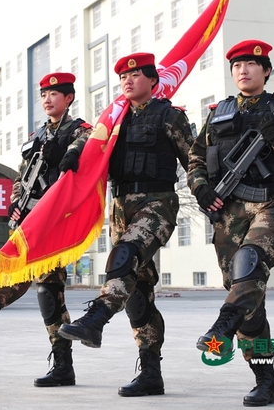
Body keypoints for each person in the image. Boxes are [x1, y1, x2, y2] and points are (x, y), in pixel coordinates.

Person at [57, 53, 195, 397]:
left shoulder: (169, 116)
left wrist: (207, 193)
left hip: (157, 203)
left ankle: (97, 318)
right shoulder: (115, 120)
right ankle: (151, 373)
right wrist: (76, 152)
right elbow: (91, 142)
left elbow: (194, 159)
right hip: (120, 208)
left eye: (135, 75)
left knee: (123, 258)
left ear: (152, 79)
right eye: (123, 77)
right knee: (138, 295)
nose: (128, 81)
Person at [187, 40, 274, 407]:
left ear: (266, 71)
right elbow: (195, 159)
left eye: (251, 64)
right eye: (237, 65)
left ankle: (220, 327)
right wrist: (200, 188)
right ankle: (265, 379)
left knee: (250, 265)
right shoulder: (218, 113)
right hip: (229, 214)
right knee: (249, 301)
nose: (243, 70)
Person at [0, 72, 92, 387]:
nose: (47, 99)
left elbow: (84, 154)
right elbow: (21, 178)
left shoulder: (80, 131)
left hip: (56, 220)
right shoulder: (37, 135)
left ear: (69, 97)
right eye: (44, 95)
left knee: (46, 288)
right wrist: (15, 204)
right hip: (31, 218)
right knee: (35, 283)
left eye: (55, 94)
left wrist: (69, 154)